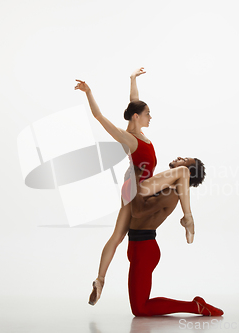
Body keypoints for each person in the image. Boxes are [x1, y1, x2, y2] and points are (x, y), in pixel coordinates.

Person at [74, 69, 199, 306]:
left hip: (130, 188)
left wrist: (132, 79)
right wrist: (89, 93)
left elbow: (134, 101)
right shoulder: (130, 138)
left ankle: (100, 281)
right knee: (182, 172)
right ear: (136, 117)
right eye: (147, 114)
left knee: (117, 236)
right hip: (141, 186)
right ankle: (188, 219)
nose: (150, 117)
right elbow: (99, 117)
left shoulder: (137, 130)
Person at [126, 163, 223, 316]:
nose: (179, 158)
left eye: (185, 160)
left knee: (140, 309)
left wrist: (133, 179)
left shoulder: (170, 194)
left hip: (144, 248)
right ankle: (195, 306)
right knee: (140, 307)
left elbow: (138, 211)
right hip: (137, 246)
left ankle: (195, 307)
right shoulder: (161, 188)